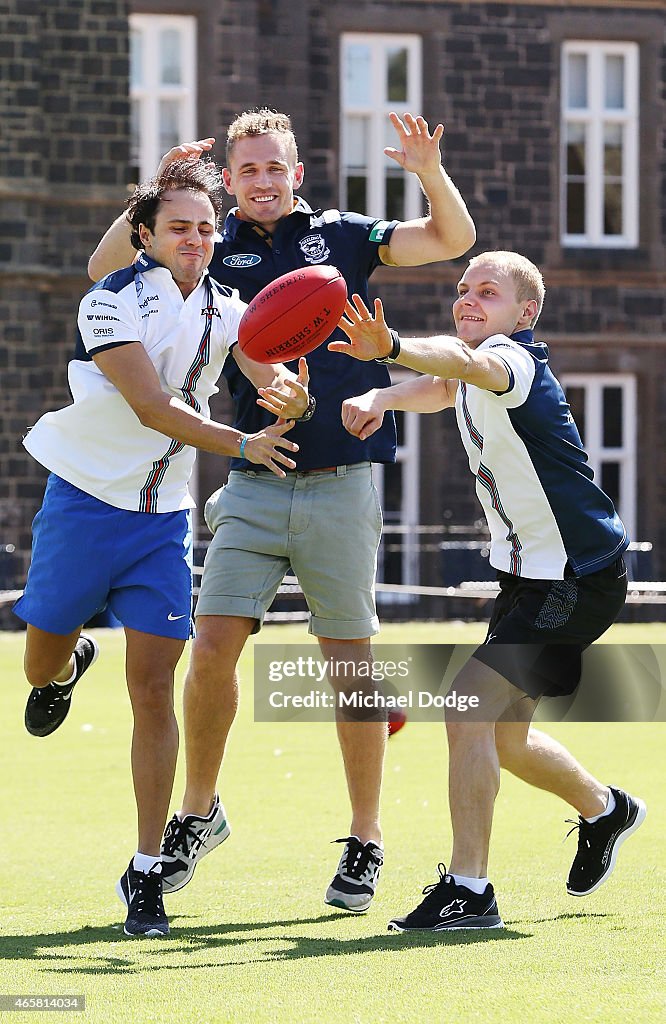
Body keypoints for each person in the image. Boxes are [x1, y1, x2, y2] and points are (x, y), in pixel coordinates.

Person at [88, 109, 476, 913]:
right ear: (228, 179)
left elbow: (449, 241)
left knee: (349, 666)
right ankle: (199, 812)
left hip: (342, 479)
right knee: (214, 645)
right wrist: (159, 189)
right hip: (255, 472)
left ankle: (365, 839)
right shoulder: (203, 241)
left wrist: (428, 171)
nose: (262, 181)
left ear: (297, 173)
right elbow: (102, 270)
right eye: (248, 170)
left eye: (275, 168)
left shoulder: (342, 235)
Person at [15, 158, 310, 938]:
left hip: (161, 520)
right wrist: (243, 443)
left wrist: (293, 390)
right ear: (144, 236)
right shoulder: (108, 300)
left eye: (207, 228)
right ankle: (67, 662)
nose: (196, 240)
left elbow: (265, 366)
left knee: (153, 689)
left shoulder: (230, 308)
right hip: (83, 500)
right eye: (179, 227)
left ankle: (147, 871)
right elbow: (151, 406)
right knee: (38, 662)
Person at [331, 249, 647, 931]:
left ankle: (469, 892)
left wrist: (390, 348)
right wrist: (385, 392)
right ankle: (605, 809)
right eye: (462, 289)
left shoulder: (513, 361)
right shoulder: (472, 373)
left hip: (576, 577)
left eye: (489, 293)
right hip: (532, 577)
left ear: (525, 313)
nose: (469, 299)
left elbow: (465, 365)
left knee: (466, 706)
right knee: (504, 736)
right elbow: (445, 385)